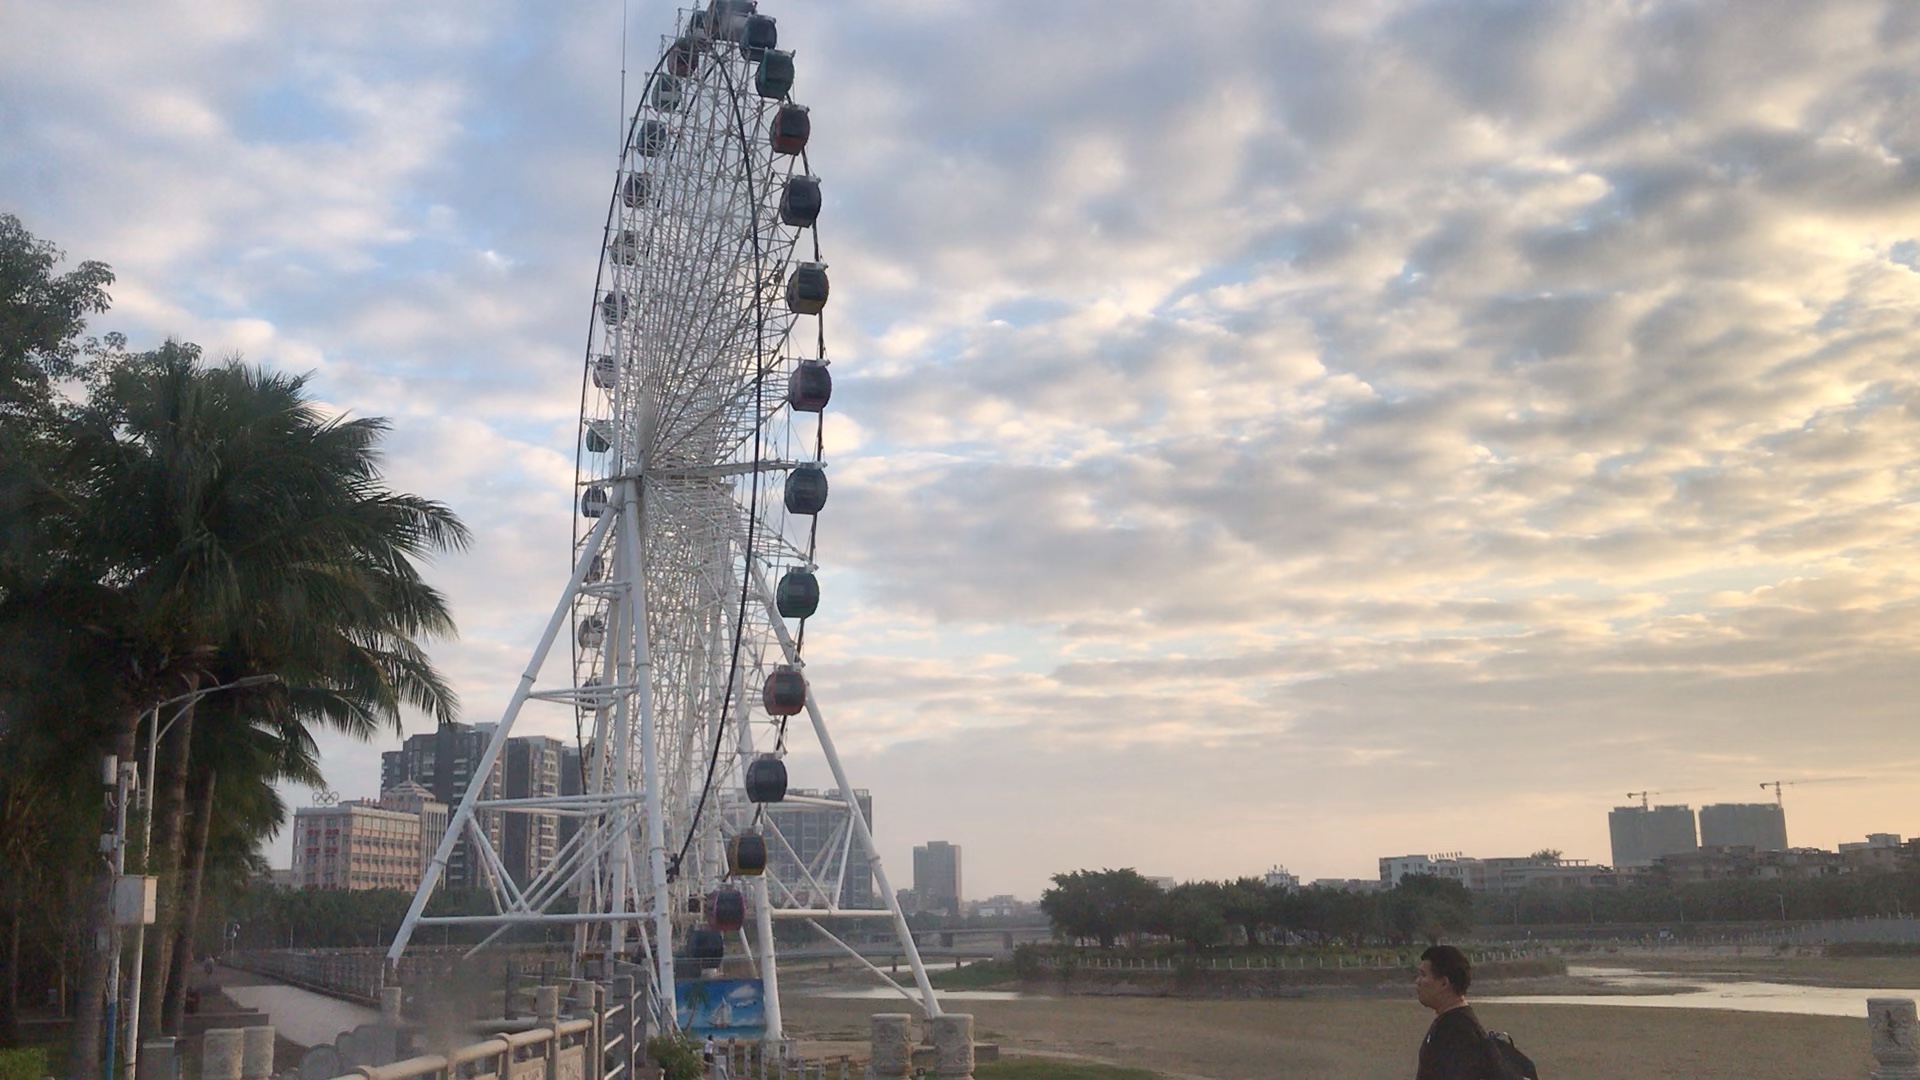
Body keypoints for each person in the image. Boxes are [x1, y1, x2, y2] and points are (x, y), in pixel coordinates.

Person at [1413, 944, 1502, 1080]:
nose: (1417, 981)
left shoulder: (1456, 1030)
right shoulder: (1456, 1022)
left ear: (1444, 983)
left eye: (1423, 975)